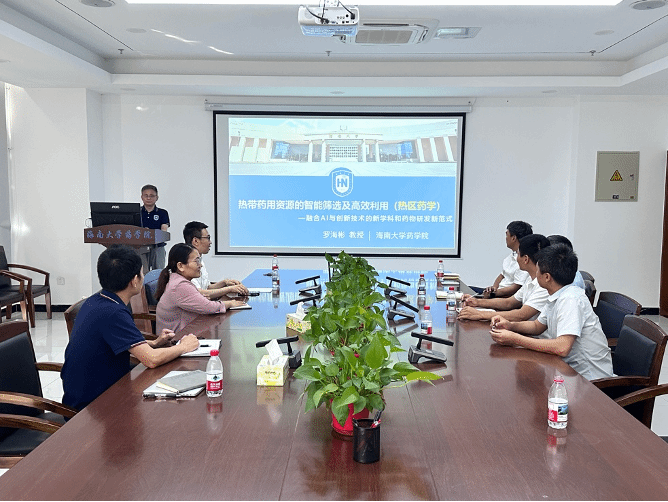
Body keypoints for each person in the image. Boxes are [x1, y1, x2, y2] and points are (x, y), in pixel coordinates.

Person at [61, 245, 199, 411]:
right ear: (134, 280)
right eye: (142, 273)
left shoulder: (98, 300)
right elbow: (151, 360)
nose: (143, 277)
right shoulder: (113, 312)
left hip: (98, 390)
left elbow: (115, 341)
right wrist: (184, 347)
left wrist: (154, 343)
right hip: (92, 407)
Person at [489, 243, 613, 381]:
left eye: (537, 271)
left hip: (590, 380)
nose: (535, 275)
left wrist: (515, 339)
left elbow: (562, 347)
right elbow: (537, 326)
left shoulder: (571, 299)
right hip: (566, 370)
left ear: (547, 277)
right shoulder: (557, 294)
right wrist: (510, 325)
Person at [155, 243, 246, 333]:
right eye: (197, 261)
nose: (200, 265)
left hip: (184, 332)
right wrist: (230, 303)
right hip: (175, 338)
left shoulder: (177, 280)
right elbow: (209, 307)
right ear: (180, 266)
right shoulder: (180, 285)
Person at [458, 234, 550, 322]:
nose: (516, 259)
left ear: (525, 259)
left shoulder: (544, 285)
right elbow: (509, 303)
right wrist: (476, 302)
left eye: (518, 254)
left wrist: (479, 314)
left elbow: (521, 315)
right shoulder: (530, 279)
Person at [183, 221, 248, 299]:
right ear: (196, 241)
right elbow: (200, 293)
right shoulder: (187, 263)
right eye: (208, 238)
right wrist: (229, 289)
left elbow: (206, 287)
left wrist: (225, 282)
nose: (210, 242)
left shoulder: (199, 259)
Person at [472, 220, 533, 298]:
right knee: (467, 290)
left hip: (504, 296)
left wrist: (493, 294)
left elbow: (516, 287)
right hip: (497, 292)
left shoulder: (524, 260)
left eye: (507, 235)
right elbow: (502, 275)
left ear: (513, 238)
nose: (506, 238)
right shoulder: (512, 255)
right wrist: (493, 288)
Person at [141, 184, 170, 271]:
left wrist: (150, 233)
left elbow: (164, 231)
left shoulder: (162, 213)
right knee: (142, 273)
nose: (148, 198)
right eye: (146, 195)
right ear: (142, 197)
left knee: (158, 272)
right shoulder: (137, 212)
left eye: (152, 196)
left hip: (158, 246)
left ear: (157, 197)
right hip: (141, 247)